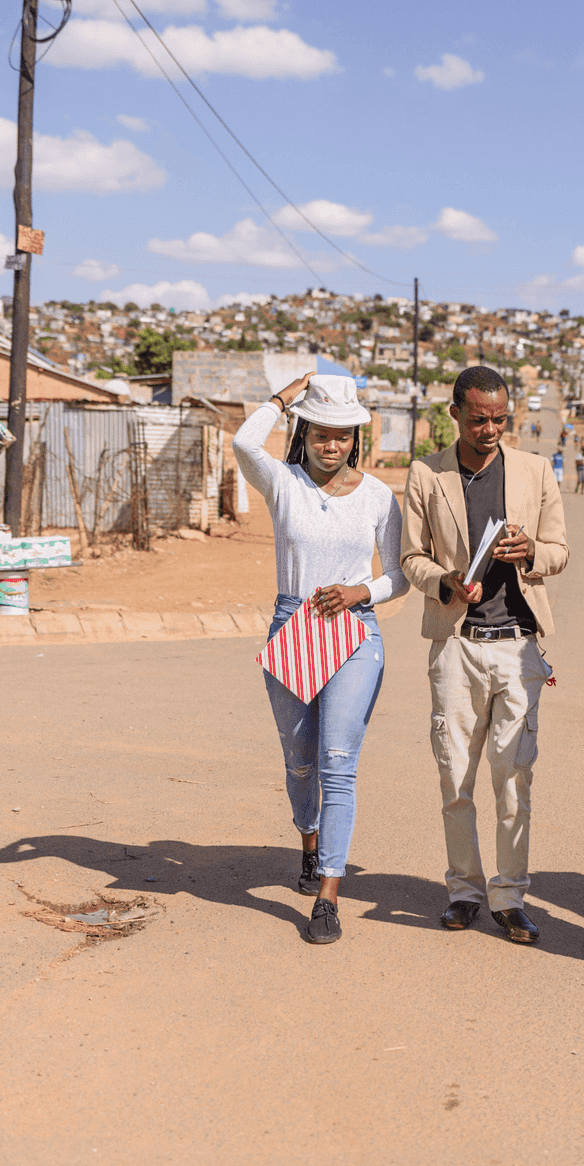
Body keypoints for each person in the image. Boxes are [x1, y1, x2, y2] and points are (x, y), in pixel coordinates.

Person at [232, 373, 409, 946]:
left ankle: (329, 895)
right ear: (303, 433)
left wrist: (362, 593)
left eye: (342, 435)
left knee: (338, 760)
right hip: (293, 625)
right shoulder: (281, 482)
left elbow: (401, 574)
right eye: (320, 433)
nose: (331, 445)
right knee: (300, 760)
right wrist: (285, 398)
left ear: (355, 438)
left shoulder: (380, 496)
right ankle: (308, 839)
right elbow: (242, 443)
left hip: (354, 632)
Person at [400, 365, 570, 945]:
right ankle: (464, 891)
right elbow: (410, 557)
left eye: (501, 418)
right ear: (455, 414)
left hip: (519, 647)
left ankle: (510, 895)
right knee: (455, 777)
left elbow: (560, 550)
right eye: (479, 419)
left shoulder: (533, 470)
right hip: (456, 645)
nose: (491, 429)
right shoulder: (427, 473)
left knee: (514, 777)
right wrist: (443, 579)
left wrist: (530, 553)